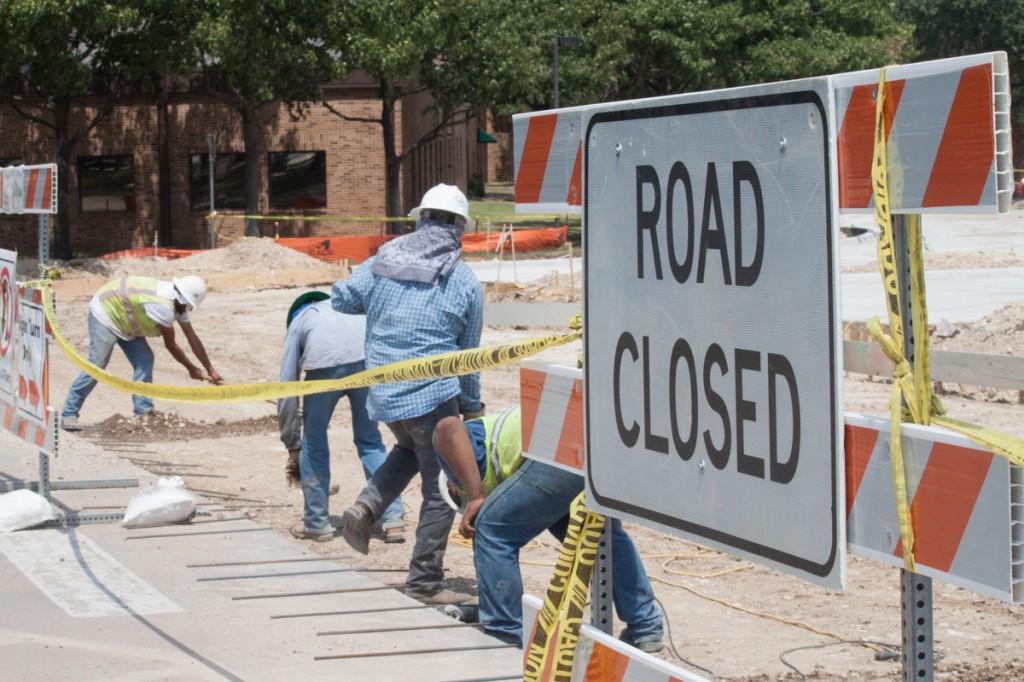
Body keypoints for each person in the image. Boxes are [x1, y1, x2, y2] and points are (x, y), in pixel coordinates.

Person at [332, 183, 483, 605]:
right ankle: (424, 582)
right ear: (459, 228)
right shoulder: (464, 280)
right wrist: (471, 409)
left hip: (384, 391)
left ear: (420, 219)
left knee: (407, 449)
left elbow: (342, 299)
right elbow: (467, 358)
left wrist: (385, 302)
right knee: (442, 488)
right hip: (434, 398)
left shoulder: (385, 260)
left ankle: (365, 509)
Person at [432, 406, 665, 652]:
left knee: (491, 529)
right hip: (594, 435)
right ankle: (644, 624)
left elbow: (447, 426)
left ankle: (504, 637)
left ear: (453, 487)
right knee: (596, 537)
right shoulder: (499, 468)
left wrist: (477, 495)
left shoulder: (454, 464)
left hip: (559, 442)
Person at [277, 291, 405, 543]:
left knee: (313, 443)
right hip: (366, 365)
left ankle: (316, 523)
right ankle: (393, 519)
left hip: (324, 370)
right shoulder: (349, 309)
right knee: (370, 441)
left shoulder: (300, 320)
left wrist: (291, 440)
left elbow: (286, 386)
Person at [61, 275, 222, 431]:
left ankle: (143, 412)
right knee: (97, 365)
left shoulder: (177, 302)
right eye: (189, 305)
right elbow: (171, 345)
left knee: (145, 359)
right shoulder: (163, 307)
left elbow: (192, 337)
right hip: (106, 313)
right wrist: (191, 368)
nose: (189, 309)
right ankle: (69, 413)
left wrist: (210, 369)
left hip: (126, 318)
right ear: (181, 299)